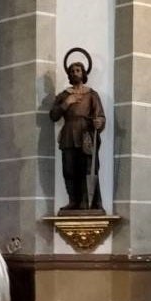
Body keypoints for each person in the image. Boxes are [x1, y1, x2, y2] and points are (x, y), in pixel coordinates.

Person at [49, 58, 105, 212]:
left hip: (86, 135)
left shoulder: (92, 94)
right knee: (69, 169)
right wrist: (67, 102)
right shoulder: (64, 95)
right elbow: (53, 115)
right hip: (68, 134)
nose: (75, 73)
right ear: (69, 74)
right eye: (72, 71)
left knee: (87, 169)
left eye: (78, 70)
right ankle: (73, 200)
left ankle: (88, 201)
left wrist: (99, 122)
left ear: (83, 73)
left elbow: (100, 115)